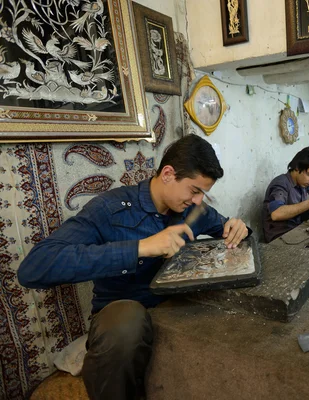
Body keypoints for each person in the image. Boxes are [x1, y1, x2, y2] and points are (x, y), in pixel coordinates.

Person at [18, 135, 249, 400]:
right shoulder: (110, 208)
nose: (198, 200)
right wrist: (141, 247)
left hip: (180, 307)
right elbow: (35, 267)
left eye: (202, 194)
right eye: (194, 190)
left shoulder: (194, 210)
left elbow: (227, 229)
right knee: (126, 321)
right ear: (168, 174)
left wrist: (237, 227)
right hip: (124, 316)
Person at [262, 146, 309, 243]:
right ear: (297, 168)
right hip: (280, 239)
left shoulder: (304, 182)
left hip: (297, 230)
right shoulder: (280, 184)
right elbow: (276, 214)